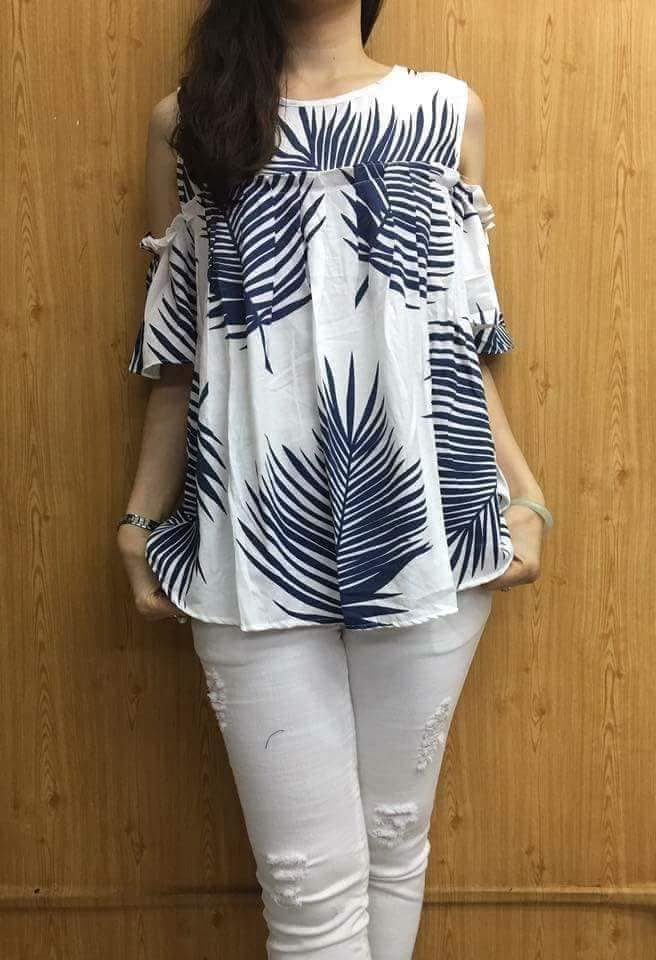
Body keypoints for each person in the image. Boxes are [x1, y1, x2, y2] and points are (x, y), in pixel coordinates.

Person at [117, 1, 554, 956]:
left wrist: (525, 497)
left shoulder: (446, 112)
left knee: (396, 844)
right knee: (306, 889)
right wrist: (140, 517)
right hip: (250, 543)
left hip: (430, 530)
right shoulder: (191, 121)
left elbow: (463, 337)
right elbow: (177, 353)